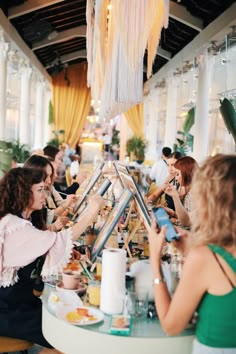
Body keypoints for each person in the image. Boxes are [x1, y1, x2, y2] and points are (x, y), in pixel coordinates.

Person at [0, 167, 104, 353]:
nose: (45, 195)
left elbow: (42, 246)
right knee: (71, 335)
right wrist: (92, 211)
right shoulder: (14, 226)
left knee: (65, 322)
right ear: (23, 192)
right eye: (40, 189)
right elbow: (60, 239)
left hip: (17, 305)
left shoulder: (15, 220)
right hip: (9, 313)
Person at [148, 154, 236, 354]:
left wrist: (155, 261)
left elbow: (171, 326)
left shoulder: (205, 258)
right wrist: (193, 245)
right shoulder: (211, 253)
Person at [165, 156, 198, 228]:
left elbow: (186, 223)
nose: (176, 178)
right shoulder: (191, 190)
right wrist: (173, 213)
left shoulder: (194, 193)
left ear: (186, 173)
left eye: (177, 174)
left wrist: (173, 220)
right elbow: (188, 216)